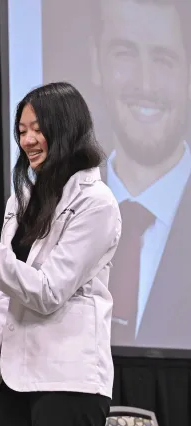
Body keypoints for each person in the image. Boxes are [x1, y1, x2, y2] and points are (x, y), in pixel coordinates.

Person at [0, 82, 122, 425]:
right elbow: (9, 285)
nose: (27, 141)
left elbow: (47, 293)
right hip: (16, 379)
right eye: (22, 131)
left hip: (69, 380)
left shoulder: (96, 202)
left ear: (67, 130)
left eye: (38, 130)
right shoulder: (21, 201)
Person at [89, 0, 191, 348]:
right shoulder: (62, 205)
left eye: (164, 60)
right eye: (125, 53)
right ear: (96, 63)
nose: (146, 83)